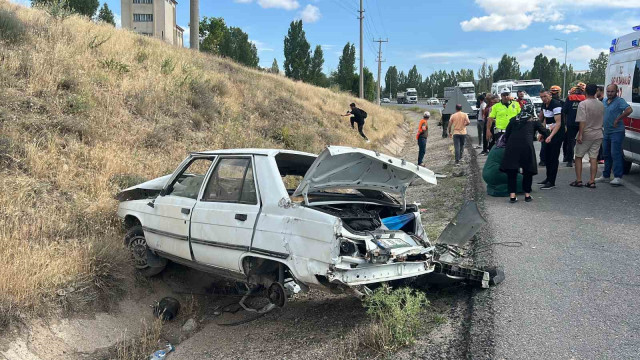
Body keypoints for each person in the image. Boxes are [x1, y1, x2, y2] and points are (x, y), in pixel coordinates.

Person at [501, 104, 548, 203]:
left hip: (512, 147)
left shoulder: (514, 119)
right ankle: (527, 195)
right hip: (526, 147)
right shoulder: (534, 120)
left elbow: (507, 135)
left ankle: (512, 196)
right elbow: (544, 131)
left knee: (512, 171)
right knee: (528, 171)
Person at [595, 84, 634, 186]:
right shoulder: (604, 101)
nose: (610, 93)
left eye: (612, 91)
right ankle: (606, 175)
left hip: (617, 132)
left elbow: (629, 110)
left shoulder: (619, 101)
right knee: (606, 154)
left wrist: (618, 118)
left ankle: (617, 177)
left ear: (616, 91)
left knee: (615, 154)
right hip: (606, 131)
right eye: (608, 91)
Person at [572, 84, 604, 188]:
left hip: (586, 133)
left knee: (578, 156)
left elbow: (582, 121)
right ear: (596, 91)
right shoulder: (601, 104)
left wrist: (580, 135)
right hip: (598, 133)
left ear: (585, 91)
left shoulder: (583, 104)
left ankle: (579, 179)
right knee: (593, 158)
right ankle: (591, 180)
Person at [537, 89, 565, 190]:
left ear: (550, 95)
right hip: (549, 131)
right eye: (541, 97)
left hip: (557, 134)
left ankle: (552, 182)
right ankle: (548, 178)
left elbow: (558, 123)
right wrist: (542, 133)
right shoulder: (544, 105)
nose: (543, 99)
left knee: (553, 157)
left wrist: (550, 136)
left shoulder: (556, 105)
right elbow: (545, 120)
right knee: (547, 156)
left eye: (545, 96)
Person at [562, 83, 586, 168]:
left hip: (571, 122)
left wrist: (565, 123)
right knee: (582, 141)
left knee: (570, 142)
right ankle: (580, 158)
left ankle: (569, 160)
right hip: (582, 122)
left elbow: (564, 110)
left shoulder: (570, 98)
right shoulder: (584, 98)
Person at [596, 85, 606, 164]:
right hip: (597, 124)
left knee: (602, 142)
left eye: (597, 91)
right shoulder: (597, 101)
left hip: (603, 125)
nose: (596, 92)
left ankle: (602, 157)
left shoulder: (604, 101)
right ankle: (597, 157)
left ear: (602, 92)